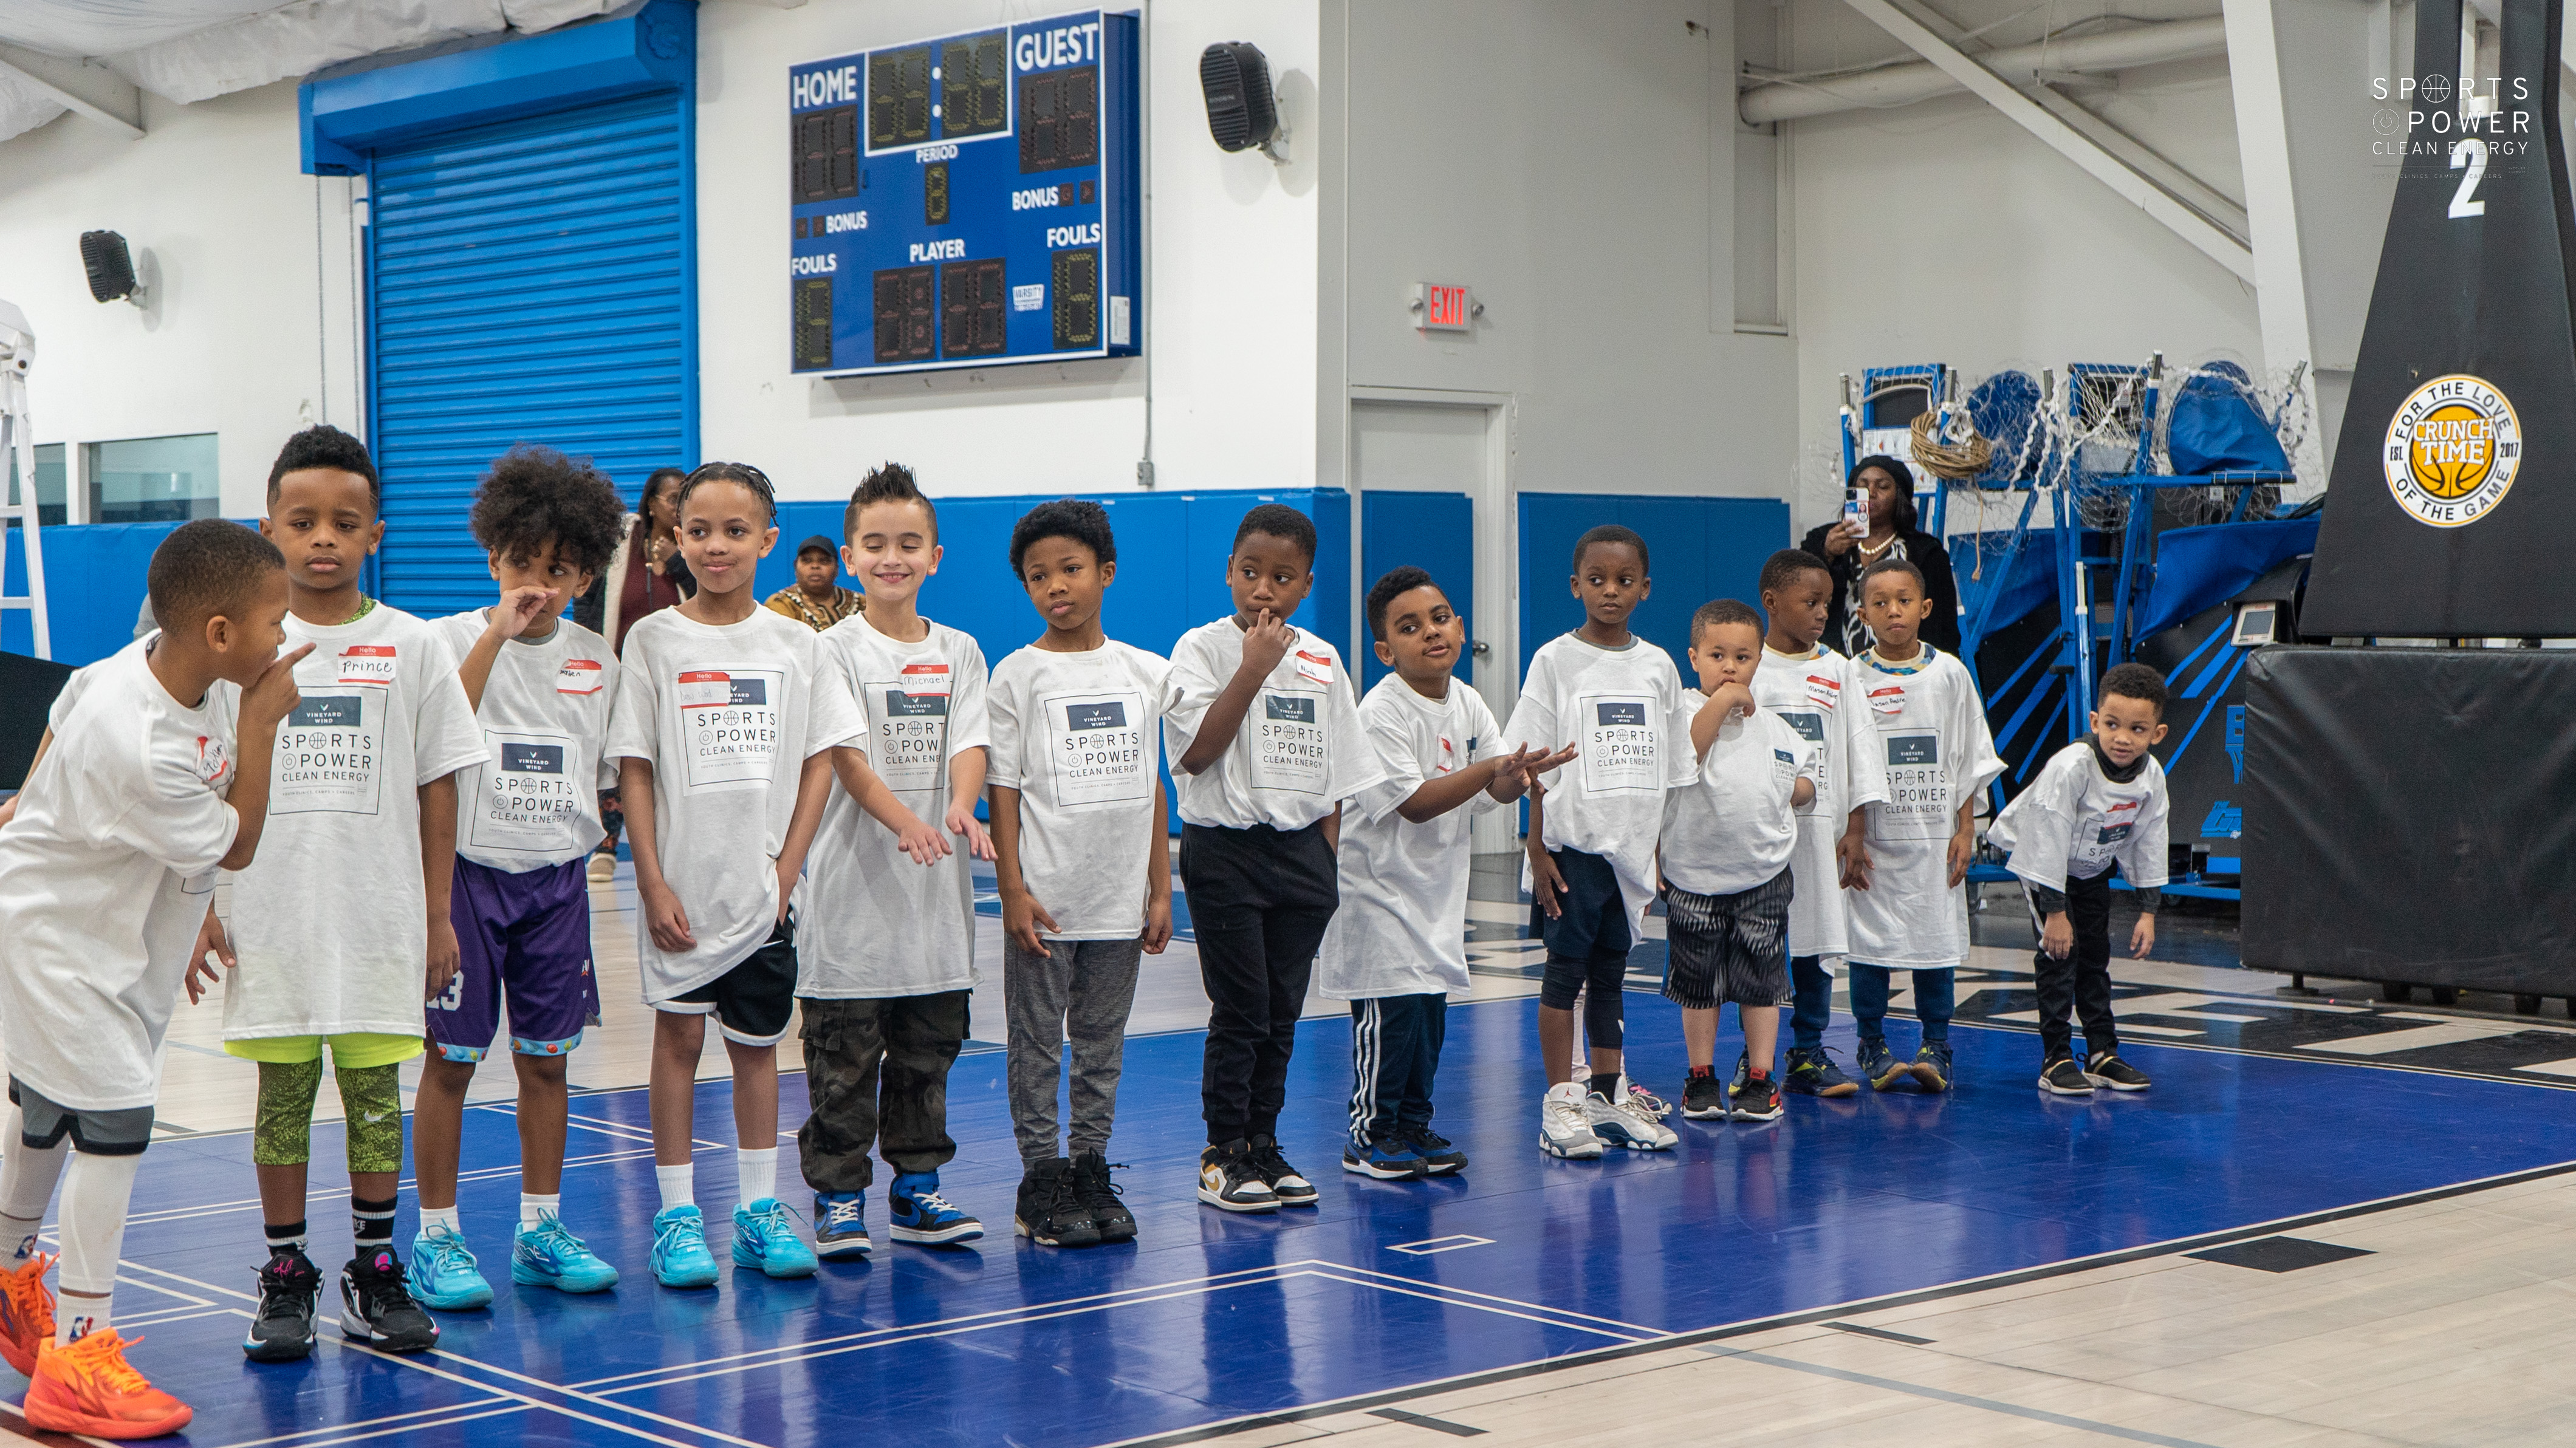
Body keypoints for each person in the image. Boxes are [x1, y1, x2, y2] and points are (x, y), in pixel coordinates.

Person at [0, 520, 306, 1437]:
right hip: (57, 944)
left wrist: (32, 802)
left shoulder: (152, 662)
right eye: (273, 624)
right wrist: (261, 728)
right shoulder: (146, 737)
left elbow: (56, 723)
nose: (283, 642)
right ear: (218, 633)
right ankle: (80, 1357)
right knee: (115, 1118)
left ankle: (11, 1274)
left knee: (49, 1109)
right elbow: (240, 841)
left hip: (120, 938)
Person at [197, 426, 485, 1364]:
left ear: (376, 534)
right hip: (269, 916)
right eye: (303, 519)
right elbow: (193, 785)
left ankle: (374, 1266)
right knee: (283, 1097)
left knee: (371, 1096)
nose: (323, 537)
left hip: (378, 918)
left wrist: (440, 913)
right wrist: (201, 900)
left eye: (345, 522)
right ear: (266, 527)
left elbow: (439, 784)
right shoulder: (232, 651)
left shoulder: (414, 646)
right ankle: (286, 1274)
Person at [606, 462, 890, 1289]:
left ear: (767, 541)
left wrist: (786, 869)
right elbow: (635, 769)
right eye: (700, 531)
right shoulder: (653, 640)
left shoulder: (797, 644)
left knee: (758, 1049)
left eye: (736, 532)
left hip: (764, 895)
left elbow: (820, 762)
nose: (717, 546)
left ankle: (761, 1213)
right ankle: (676, 1219)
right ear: (675, 541)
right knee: (679, 1039)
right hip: (681, 894)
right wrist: (651, 879)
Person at [409, 446, 629, 1312]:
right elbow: (437, 735)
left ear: (583, 573)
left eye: (557, 567)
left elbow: (608, 775)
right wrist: (497, 635)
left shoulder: (597, 661)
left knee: (548, 1063)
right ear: (491, 556)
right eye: (519, 563)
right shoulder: (445, 643)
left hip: (557, 887)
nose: (536, 581)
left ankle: (541, 1229)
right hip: (468, 878)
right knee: (452, 1063)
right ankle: (436, 1239)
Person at [1165, 503, 1383, 1213]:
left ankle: (1264, 1141)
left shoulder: (1322, 658)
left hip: (1300, 856)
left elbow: (1340, 772)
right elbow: (1196, 753)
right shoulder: (1199, 648)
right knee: (1242, 1009)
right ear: (1229, 571)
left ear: (1306, 584)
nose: (1264, 588)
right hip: (1224, 849)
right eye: (1251, 572)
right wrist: (1253, 669)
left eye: (1282, 577)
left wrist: (1321, 860)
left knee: (1283, 1011)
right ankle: (1222, 1150)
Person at [800, 465, 990, 1255]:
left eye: (909, 544)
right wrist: (908, 820)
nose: (892, 557)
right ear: (850, 557)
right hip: (853, 905)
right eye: (875, 544)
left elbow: (971, 742)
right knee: (844, 1064)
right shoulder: (833, 651)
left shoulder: (961, 652)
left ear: (935, 557)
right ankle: (840, 1199)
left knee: (926, 1057)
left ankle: (917, 1190)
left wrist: (958, 805)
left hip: (934, 908)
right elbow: (846, 756)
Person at [1321, 568, 1561, 1179]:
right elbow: (1415, 802)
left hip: (1433, 897)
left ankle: (1411, 1123)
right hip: (1377, 899)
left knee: (1427, 1020)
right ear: (1385, 650)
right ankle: (1369, 1133)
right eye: (1409, 626)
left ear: (1459, 626)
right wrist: (1493, 769)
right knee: (1391, 1019)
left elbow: (1496, 790)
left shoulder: (1468, 700)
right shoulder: (1378, 712)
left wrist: (1520, 773)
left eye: (1439, 616)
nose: (1430, 631)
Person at [988, 499, 1173, 1246]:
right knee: (1035, 1046)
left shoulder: (1145, 671)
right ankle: (1041, 1179)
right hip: (1048, 903)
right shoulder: (1017, 674)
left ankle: (1091, 1167)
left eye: (1070, 569)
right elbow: (1002, 788)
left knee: (1102, 1045)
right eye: (1039, 576)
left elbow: (1152, 782)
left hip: (1118, 903)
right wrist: (1012, 891)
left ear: (1106, 572)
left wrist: (1159, 887)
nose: (1055, 586)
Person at [1505, 525, 1687, 1160]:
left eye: (1624, 580)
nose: (1610, 591)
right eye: (1597, 579)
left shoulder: (1659, 664)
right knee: (1564, 975)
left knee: (1611, 974)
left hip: (1630, 853)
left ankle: (1608, 1095)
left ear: (1645, 588)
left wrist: (1656, 851)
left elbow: (1670, 766)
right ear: (1575, 585)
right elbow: (1530, 760)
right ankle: (1561, 1101)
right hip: (1572, 848)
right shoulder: (1554, 661)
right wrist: (1534, 842)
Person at [1843, 558, 2002, 1093]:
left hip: (1936, 837)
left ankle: (1937, 1044)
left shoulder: (1950, 674)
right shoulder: (1851, 676)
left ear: (1925, 608)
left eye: (1904, 600)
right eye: (1881, 602)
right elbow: (1847, 760)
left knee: (1936, 944)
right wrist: (1854, 831)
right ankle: (1871, 1043)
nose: (1893, 611)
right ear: (1863, 613)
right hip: (1873, 840)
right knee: (1869, 946)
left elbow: (1968, 758)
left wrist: (1966, 828)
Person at [1660, 599, 1816, 1124]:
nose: (1731, 667)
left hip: (1764, 873)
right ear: (1694, 659)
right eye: (1718, 655)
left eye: (1743, 658)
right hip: (1693, 874)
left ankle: (1760, 1079)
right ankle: (1700, 1077)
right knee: (1698, 982)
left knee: (1761, 980)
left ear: (1759, 663)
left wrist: (1794, 789)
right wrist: (1723, 701)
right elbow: (1684, 758)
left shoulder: (1771, 725)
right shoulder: (1680, 712)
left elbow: (1807, 782)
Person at [1989, 661, 2170, 1095]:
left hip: (2089, 869)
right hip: (2043, 868)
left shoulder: (2151, 777)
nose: (2123, 738)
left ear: (2157, 734)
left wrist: (2148, 911)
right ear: (2095, 721)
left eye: (2137, 729)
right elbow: (2045, 839)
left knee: (2094, 957)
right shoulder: (2073, 767)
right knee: (2060, 957)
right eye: (2112, 724)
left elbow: (2150, 840)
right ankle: (2056, 1059)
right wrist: (2054, 912)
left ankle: (2102, 1054)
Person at [1752, 548, 1887, 1099]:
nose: (1821, 615)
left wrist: (1854, 831)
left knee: (1818, 939)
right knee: (1758, 946)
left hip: (1820, 832)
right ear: (1771, 602)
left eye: (1827, 604)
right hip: (1757, 835)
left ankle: (1808, 1051)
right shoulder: (1747, 665)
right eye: (1810, 602)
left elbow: (1859, 751)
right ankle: (1754, 1058)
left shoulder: (1837, 669)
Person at [580, 465, 695, 883]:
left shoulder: (692, 544)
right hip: (616, 669)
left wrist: (677, 563)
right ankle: (606, 846)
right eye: (673, 499)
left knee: (665, 764)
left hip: (673, 678)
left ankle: (671, 847)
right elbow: (589, 597)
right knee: (618, 757)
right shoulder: (619, 542)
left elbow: (708, 596)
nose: (680, 508)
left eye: (686, 498)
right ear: (651, 503)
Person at [1800, 455, 1961, 659]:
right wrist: (1826, 555)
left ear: (1899, 497)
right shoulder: (1823, 540)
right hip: (1835, 668)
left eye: (1883, 487)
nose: (1871, 494)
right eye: (1863, 486)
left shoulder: (1926, 552)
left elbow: (1943, 626)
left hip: (1903, 669)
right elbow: (1799, 596)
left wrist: (1938, 670)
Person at [767, 535, 864, 631]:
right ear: (796, 567)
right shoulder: (781, 604)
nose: (815, 566)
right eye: (807, 561)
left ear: (837, 569)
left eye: (824, 561)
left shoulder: (861, 603)